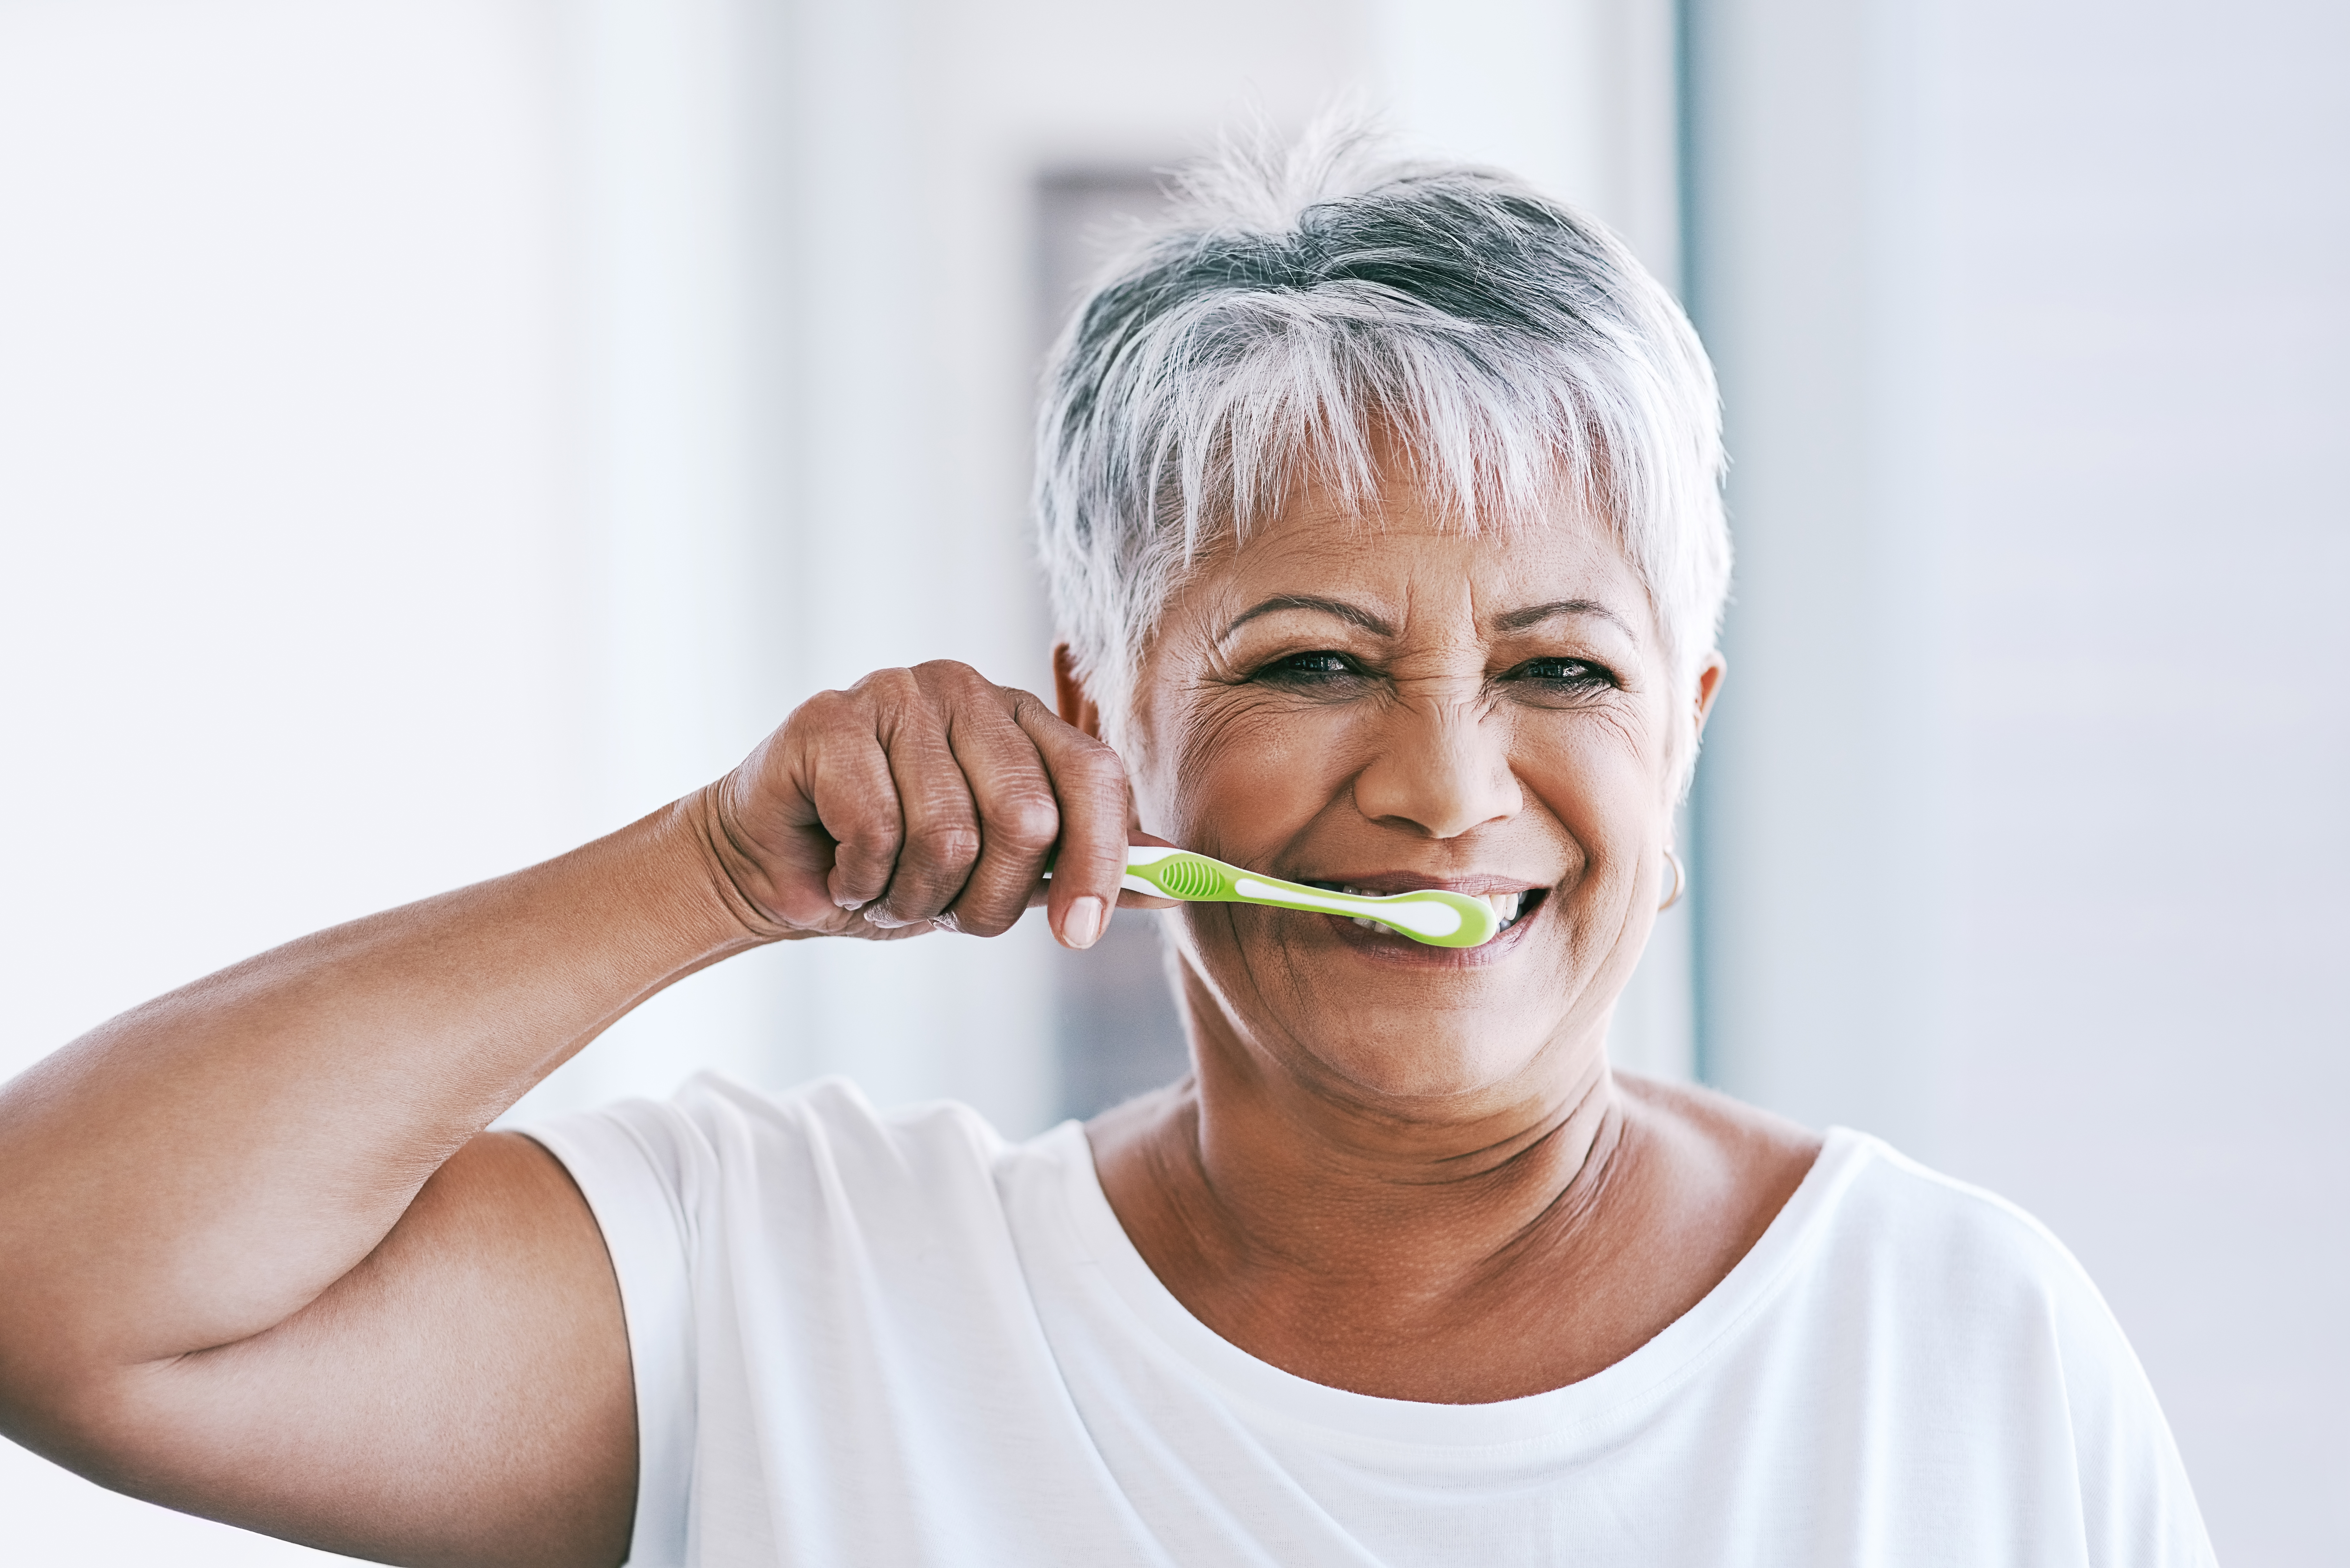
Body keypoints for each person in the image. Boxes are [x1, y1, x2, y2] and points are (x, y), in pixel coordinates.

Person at [0, 125, 2212, 1568]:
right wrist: (708, 871)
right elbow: (60, 1291)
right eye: (1315, 667)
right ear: (1100, 726)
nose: (1447, 791)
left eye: (1563, 673)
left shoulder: (1958, 1349)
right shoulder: (800, 1298)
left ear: (1690, 734)